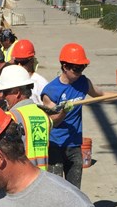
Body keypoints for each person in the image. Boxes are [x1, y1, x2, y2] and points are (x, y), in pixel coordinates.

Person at [41, 43, 104, 189]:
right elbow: (52, 122)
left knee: (75, 191)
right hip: (55, 145)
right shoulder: (50, 91)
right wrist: (64, 112)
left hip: (74, 145)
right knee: (57, 189)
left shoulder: (83, 82)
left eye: (82, 68)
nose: (79, 72)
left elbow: (101, 95)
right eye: (76, 69)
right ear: (64, 66)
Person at [0, 65, 54, 170]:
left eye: (5, 92)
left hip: (22, 179)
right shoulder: (44, 115)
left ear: (17, 92)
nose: (3, 96)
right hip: (42, 176)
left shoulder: (10, 117)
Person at [11, 38, 48, 105]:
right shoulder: (12, 80)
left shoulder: (40, 83)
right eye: (17, 62)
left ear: (31, 61)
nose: (19, 65)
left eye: (23, 62)